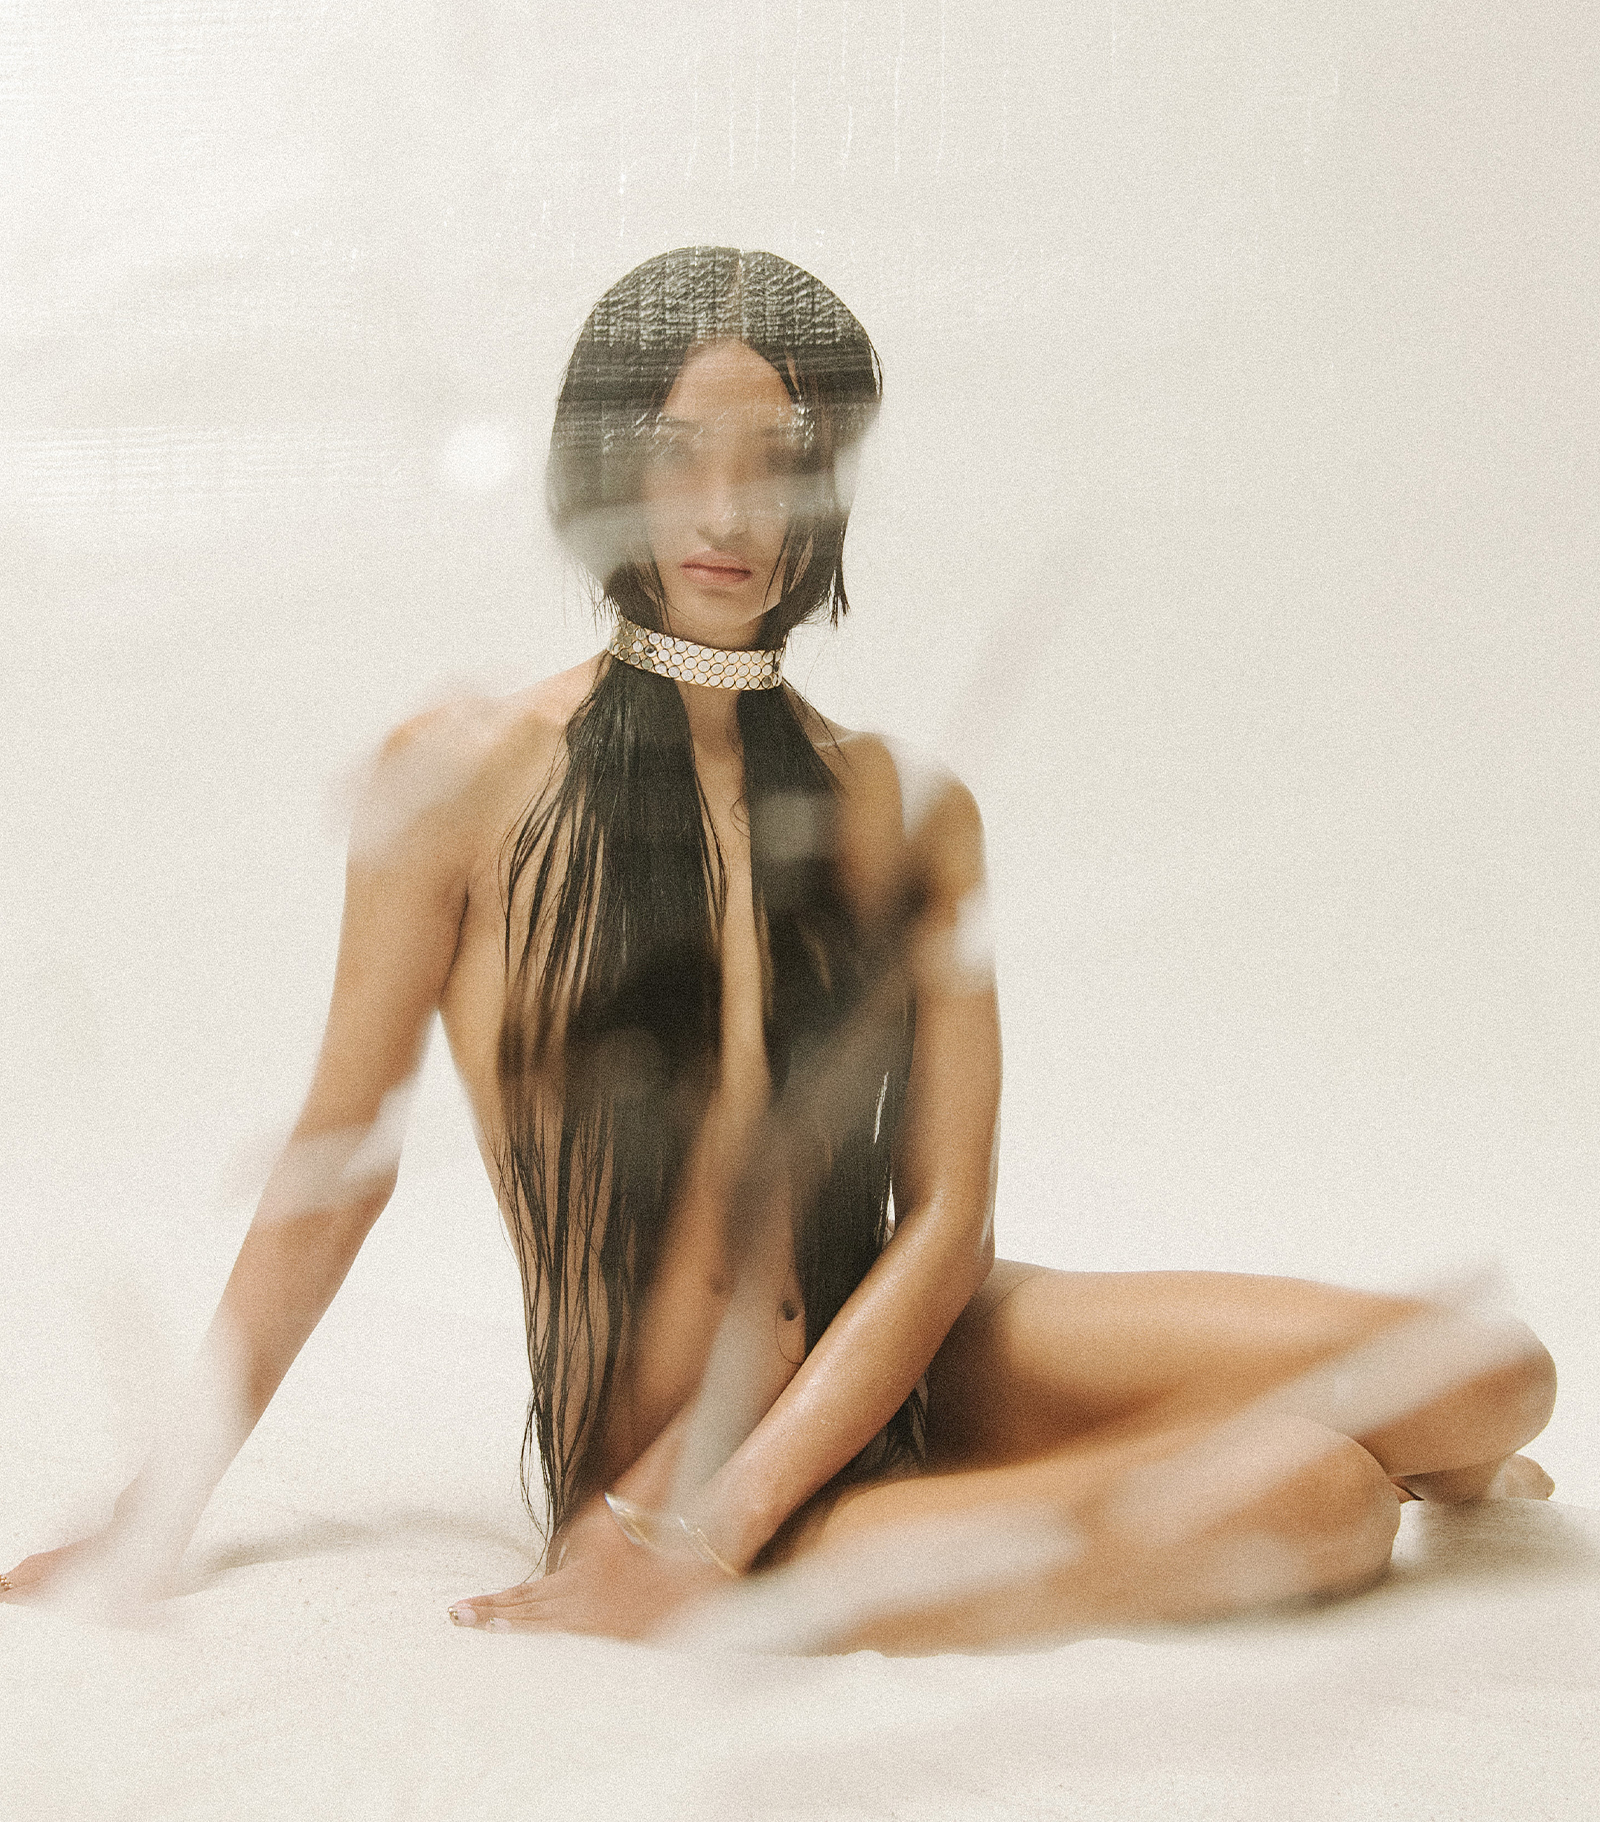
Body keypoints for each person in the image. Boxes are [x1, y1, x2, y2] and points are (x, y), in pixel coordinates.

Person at [1, 247, 1557, 1653]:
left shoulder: (902, 804)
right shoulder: (467, 774)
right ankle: (1205, 1474)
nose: (732, 517)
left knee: (1494, 1372)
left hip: (914, 1348)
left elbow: (944, 1221)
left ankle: (1339, 1445)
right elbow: (333, 1169)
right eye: (682, 459)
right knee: (1322, 1502)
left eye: (782, 466)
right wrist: (161, 1509)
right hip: (690, 1474)